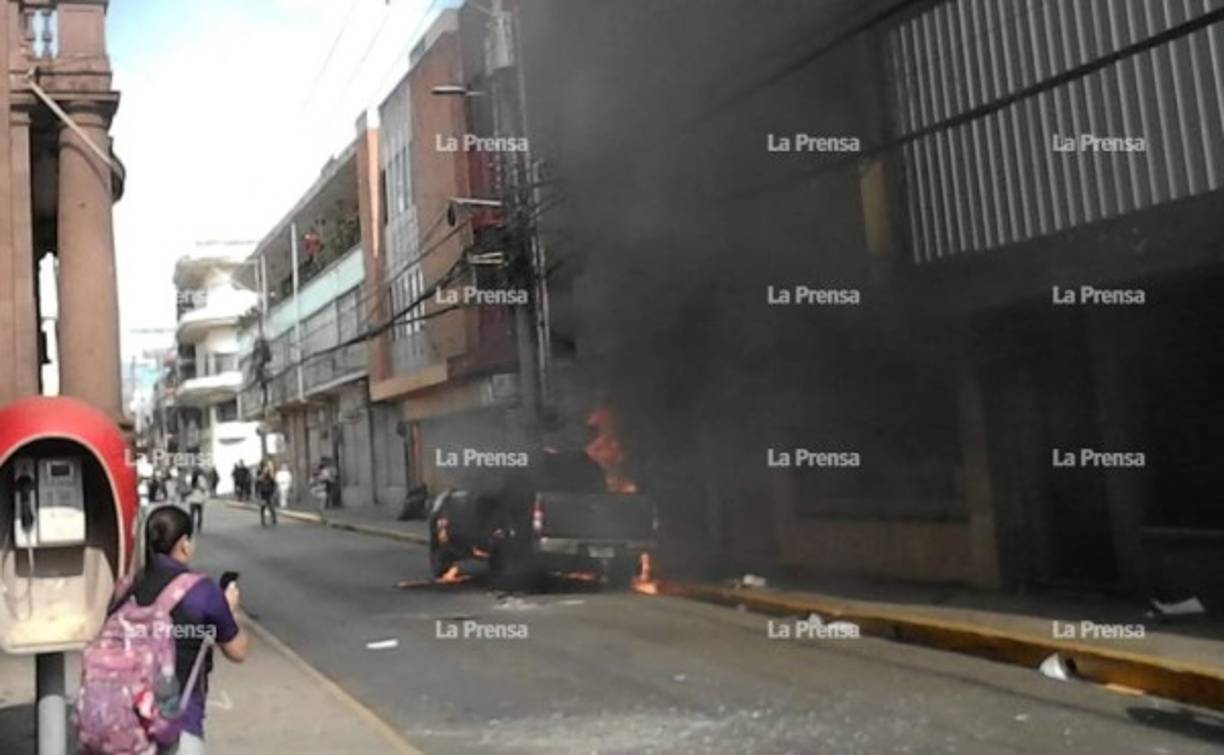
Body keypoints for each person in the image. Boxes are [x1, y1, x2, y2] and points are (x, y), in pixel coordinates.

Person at [126, 506, 248, 753]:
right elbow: (238, 650)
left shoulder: (126, 588)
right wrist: (231, 610)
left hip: (124, 723)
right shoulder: (201, 591)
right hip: (180, 725)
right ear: (183, 544)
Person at [255, 461, 278, 527]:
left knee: (271, 505)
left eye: (266, 467)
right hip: (263, 493)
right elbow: (257, 484)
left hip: (269, 492)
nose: (266, 469)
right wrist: (257, 492)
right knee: (263, 506)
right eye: (265, 467)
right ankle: (263, 520)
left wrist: (273, 490)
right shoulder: (259, 474)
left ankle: (274, 518)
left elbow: (273, 483)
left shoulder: (270, 475)